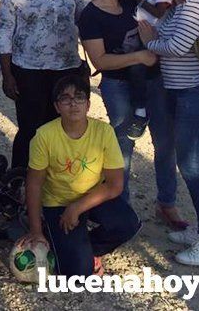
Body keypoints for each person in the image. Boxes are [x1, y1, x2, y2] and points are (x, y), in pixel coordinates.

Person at [77, 0, 187, 228]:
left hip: (155, 81)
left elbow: (163, 15)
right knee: (122, 149)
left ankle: (167, 203)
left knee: (165, 144)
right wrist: (139, 56)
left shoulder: (132, 4)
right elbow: (100, 61)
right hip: (118, 87)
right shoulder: (90, 14)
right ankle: (122, 210)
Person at [138, 0, 199, 266]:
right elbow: (166, 37)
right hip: (184, 93)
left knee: (193, 163)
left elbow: (172, 46)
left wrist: (150, 44)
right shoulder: (180, 6)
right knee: (196, 161)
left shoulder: (197, 1)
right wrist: (157, 40)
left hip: (198, 93)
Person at [22, 75, 141, 277]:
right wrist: (35, 231)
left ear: (88, 104)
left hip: (90, 197)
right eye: (65, 98)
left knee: (128, 223)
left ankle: (92, 249)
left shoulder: (104, 132)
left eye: (79, 97)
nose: (73, 103)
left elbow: (114, 185)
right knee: (77, 275)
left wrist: (77, 207)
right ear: (57, 107)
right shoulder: (44, 135)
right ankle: (58, 236)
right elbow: (33, 184)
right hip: (57, 202)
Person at [0, 0, 86, 169]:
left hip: (67, 70)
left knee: (63, 126)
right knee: (30, 129)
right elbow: (3, 34)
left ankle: (56, 179)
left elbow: (85, 24)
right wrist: (7, 75)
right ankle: (19, 181)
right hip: (29, 71)